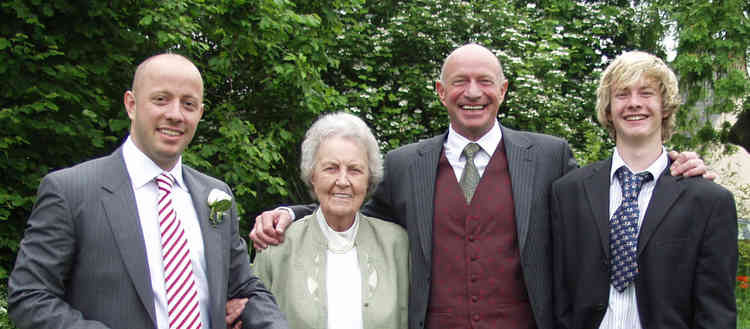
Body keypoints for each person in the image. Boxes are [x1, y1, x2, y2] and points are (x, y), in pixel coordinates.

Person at [250, 44, 710, 329]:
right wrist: (294, 213)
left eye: (485, 81)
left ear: (503, 90)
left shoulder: (548, 156)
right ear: (440, 91)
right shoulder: (406, 163)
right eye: (460, 82)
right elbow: (355, 212)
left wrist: (669, 168)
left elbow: (601, 199)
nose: (473, 92)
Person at [7, 53, 288, 329]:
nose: (175, 114)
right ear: (131, 104)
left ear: (200, 113)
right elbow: (30, 297)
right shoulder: (71, 191)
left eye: (188, 104)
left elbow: (243, 286)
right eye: (161, 99)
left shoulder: (215, 195)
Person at [550, 51, 737, 329]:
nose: (634, 103)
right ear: (608, 110)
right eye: (622, 94)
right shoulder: (569, 192)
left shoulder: (709, 201)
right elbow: (559, 294)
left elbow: (716, 313)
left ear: (666, 107)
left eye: (646, 93)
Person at [252, 112, 410, 329]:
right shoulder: (277, 246)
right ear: (312, 175)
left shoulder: (398, 245)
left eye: (355, 170)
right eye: (331, 168)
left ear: (369, 179)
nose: (343, 181)